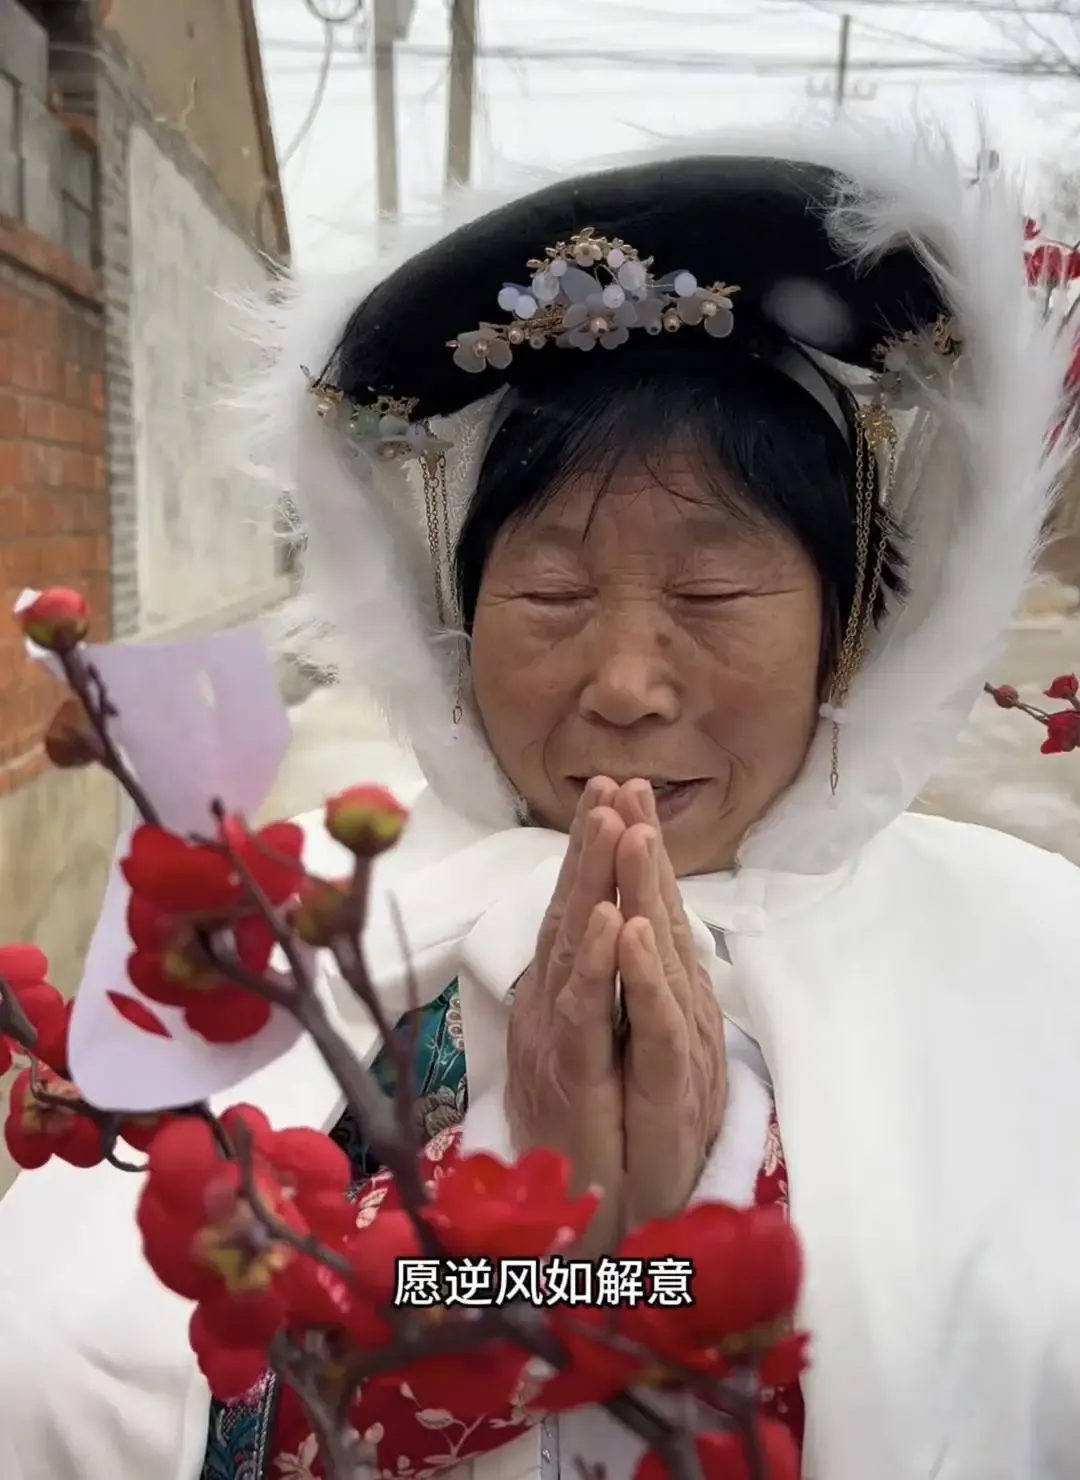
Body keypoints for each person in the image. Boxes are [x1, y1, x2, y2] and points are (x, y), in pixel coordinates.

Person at [2, 122, 1080, 1480]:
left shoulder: (1033, 960)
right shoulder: (311, 932)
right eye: (553, 594)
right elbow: (75, 1364)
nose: (624, 683)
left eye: (712, 592)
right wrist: (564, 1264)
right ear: (454, 620)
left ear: (851, 624)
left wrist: (685, 1213)